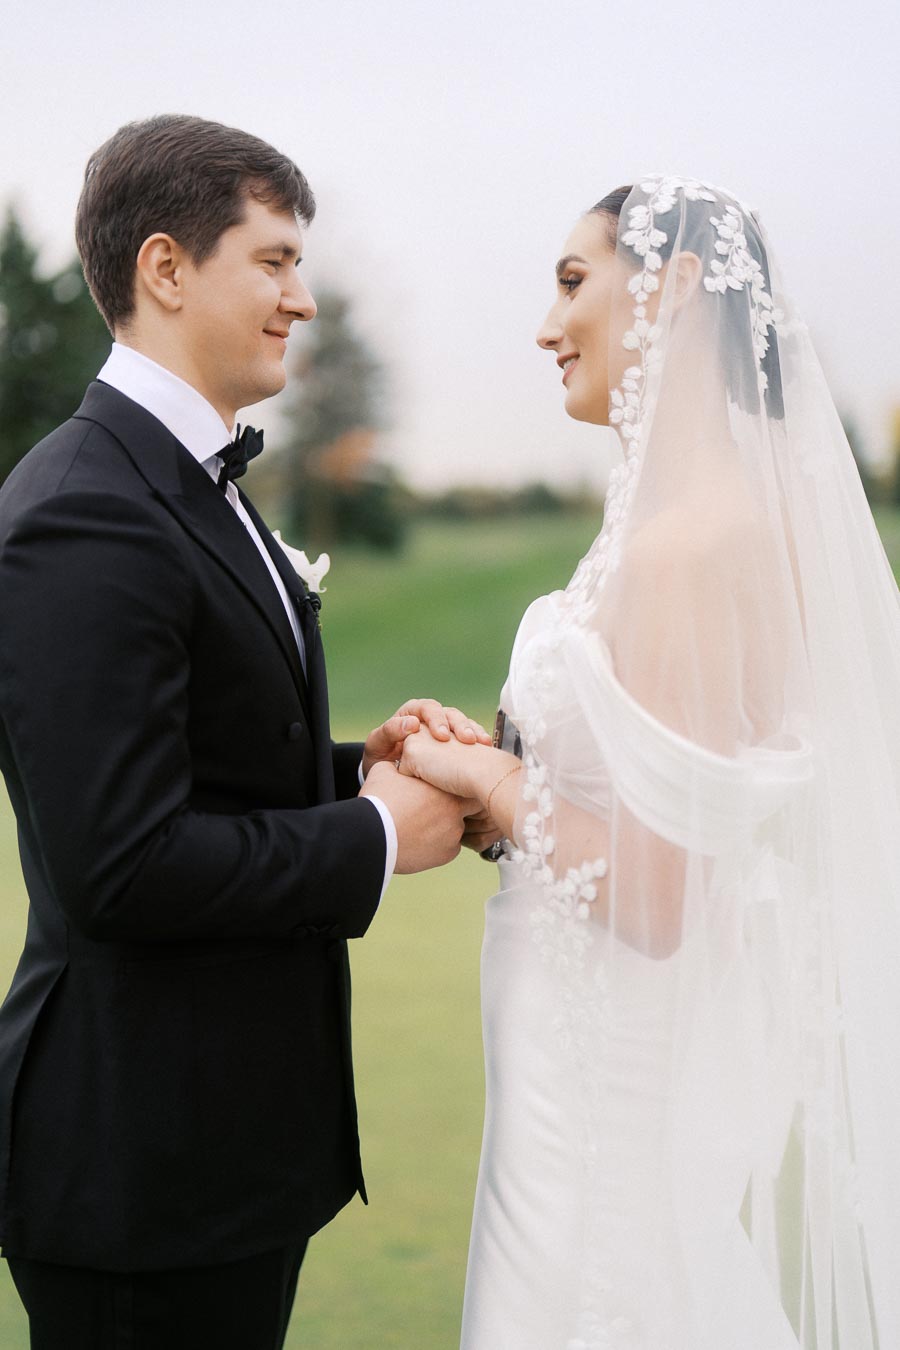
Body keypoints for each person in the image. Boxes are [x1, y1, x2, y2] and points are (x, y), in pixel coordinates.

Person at [0, 114, 490, 1350]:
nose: (302, 299)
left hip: (222, 1157)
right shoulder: (82, 510)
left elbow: (205, 760)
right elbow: (121, 863)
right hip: (135, 1168)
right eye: (273, 261)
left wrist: (363, 764)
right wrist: (376, 836)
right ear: (165, 268)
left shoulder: (183, 478)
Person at [399, 177, 900, 1347]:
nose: (545, 325)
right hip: (573, 1071)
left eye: (574, 282)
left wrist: (483, 782)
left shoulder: (695, 544)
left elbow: (659, 887)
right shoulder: (682, 523)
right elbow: (627, 807)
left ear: (673, 288)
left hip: (605, 1098)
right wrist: (504, 778)